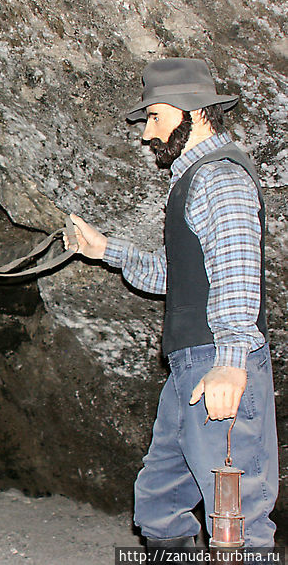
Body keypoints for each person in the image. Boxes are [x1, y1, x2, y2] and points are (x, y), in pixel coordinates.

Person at [65, 58, 277, 548]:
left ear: (194, 112)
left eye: (156, 117)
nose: (147, 134)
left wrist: (230, 364)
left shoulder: (220, 178)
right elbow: (174, 275)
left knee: (235, 519)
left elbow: (238, 273)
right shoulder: (192, 181)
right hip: (189, 371)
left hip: (217, 366)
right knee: (159, 502)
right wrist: (104, 250)